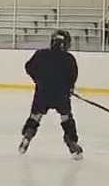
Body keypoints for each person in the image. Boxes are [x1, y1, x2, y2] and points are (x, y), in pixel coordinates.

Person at [19, 29, 83, 160]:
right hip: (61, 94)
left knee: (36, 115)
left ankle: (26, 138)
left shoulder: (41, 54)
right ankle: (72, 143)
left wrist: (38, 80)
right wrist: (69, 87)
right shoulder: (69, 58)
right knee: (66, 117)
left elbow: (29, 67)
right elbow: (73, 76)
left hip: (43, 91)